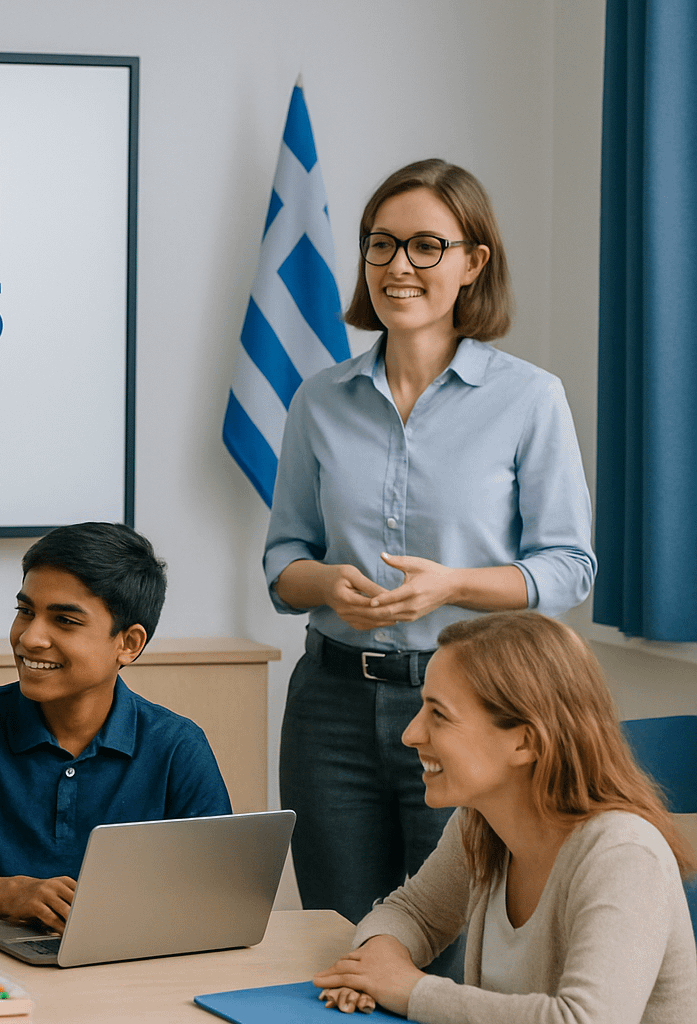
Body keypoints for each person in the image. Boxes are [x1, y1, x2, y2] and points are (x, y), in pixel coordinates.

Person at [263, 159, 596, 967]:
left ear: (472, 262)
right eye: (381, 246)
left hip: (475, 712)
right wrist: (329, 583)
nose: (397, 267)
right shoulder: (319, 398)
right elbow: (283, 561)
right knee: (341, 951)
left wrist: (452, 588)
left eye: (424, 246)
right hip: (331, 708)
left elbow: (568, 568)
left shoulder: (529, 398)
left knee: (451, 955)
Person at [312, 611, 697, 1021]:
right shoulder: (481, 823)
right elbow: (415, 913)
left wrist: (410, 990)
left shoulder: (624, 854)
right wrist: (376, 962)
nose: (411, 733)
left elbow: (585, 1020)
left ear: (525, 743)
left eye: (438, 714)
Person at [0, 522, 231, 930]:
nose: (30, 638)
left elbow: (216, 902)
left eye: (64, 620)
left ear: (129, 644)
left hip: (125, 972)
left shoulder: (177, 747)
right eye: (25, 612)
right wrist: (9, 894)